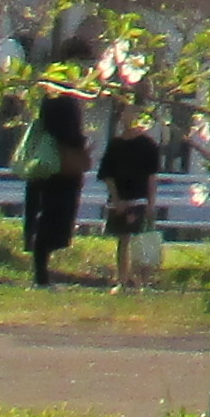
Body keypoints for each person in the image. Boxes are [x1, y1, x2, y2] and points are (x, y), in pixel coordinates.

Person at [17, 85, 92, 288]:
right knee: (52, 222)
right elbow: (70, 136)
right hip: (62, 176)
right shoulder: (66, 122)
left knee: (40, 219)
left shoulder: (44, 117)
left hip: (42, 171)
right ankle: (41, 275)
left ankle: (40, 273)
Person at [97, 110, 165, 288]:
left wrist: (151, 202)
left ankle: (143, 281)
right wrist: (116, 199)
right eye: (124, 116)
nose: (126, 120)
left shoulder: (148, 145)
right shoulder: (115, 144)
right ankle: (122, 279)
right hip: (120, 199)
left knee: (142, 239)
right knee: (123, 240)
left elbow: (152, 176)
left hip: (140, 198)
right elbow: (107, 175)